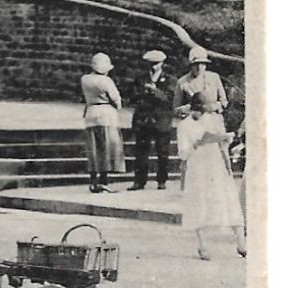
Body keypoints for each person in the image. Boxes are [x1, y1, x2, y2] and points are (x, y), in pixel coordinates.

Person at [178, 90, 247, 260]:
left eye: (205, 111)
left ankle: (242, 243)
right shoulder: (184, 126)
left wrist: (227, 162)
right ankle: (203, 246)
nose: (202, 115)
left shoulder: (212, 119)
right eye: (199, 111)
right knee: (199, 203)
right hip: (197, 166)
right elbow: (183, 153)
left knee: (228, 199)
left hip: (215, 164)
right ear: (193, 108)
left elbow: (222, 143)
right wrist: (198, 143)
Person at [173, 47, 230, 189]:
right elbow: (176, 108)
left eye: (203, 64)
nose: (200, 67)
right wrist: (189, 108)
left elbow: (224, 101)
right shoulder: (183, 82)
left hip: (213, 120)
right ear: (191, 65)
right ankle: (189, 185)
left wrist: (214, 106)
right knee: (193, 154)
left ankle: (225, 181)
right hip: (196, 122)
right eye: (196, 64)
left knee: (222, 151)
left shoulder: (214, 77)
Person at [129, 50, 176, 191]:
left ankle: (162, 180)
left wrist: (155, 91)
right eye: (151, 64)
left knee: (163, 152)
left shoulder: (169, 80)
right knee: (141, 152)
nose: (153, 67)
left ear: (162, 64)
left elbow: (170, 99)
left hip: (161, 120)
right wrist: (142, 93)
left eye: (156, 64)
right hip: (144, 119)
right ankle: (139, 181)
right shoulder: (141, 78)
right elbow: (133, 97)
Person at [78, 53, 125, 193]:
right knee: (107, 147)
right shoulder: (106, 81)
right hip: (106, 114)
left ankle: (93, 181)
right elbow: (116, 100)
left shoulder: (85, 79)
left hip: (91, 112)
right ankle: (104, 180)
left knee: (93, 148)